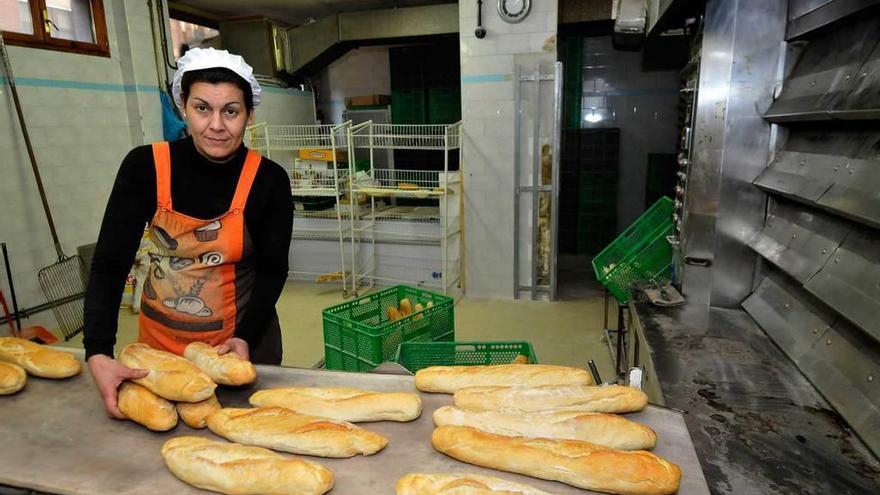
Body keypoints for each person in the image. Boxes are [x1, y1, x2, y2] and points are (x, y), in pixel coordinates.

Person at [83, 48, 293, 418]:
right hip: (158, 350)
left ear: (249, 115)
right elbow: (110, 263)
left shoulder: (268, 180)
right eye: (202, 108)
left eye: (231, 111)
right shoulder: (145, 167)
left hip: (239, 346)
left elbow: (273, 269)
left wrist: (245, 336)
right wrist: (98, 351)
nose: (216, 125)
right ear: (183, 105)